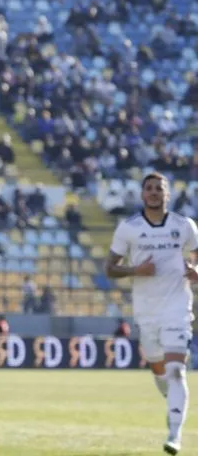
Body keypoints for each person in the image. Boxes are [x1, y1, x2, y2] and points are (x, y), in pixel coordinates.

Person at [106, 172, 198, 455]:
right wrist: (136, 270)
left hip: (177, 308)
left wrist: (196, 271)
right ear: (143, 194)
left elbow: (197, 257)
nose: (154, 192)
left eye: (159, 188)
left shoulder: (185, 225)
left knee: (176, 370)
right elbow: (110, 268)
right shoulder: (129, 228)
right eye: (149, 188)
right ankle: (173, 403)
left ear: (167, 194)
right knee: (160, 371)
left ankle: (174, 434)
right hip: (146, 312)